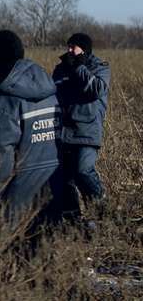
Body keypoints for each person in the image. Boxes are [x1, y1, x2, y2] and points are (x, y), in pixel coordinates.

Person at [0, 30, 60, 217]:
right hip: (55, 189)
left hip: (17, 199)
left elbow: (0, 156)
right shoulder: (48, 91)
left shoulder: (3, 101)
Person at [51, 33, 110, 220]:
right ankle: (72, 222)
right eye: (68, 46)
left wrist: (79, 67)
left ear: (84, 48)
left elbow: (96, 90)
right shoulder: (61, 69)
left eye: (73, 47)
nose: (69, 50)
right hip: (62, 132)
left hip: (87, 131)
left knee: (83, 171)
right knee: (64, 180)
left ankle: (101, 212)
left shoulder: (99, 68)